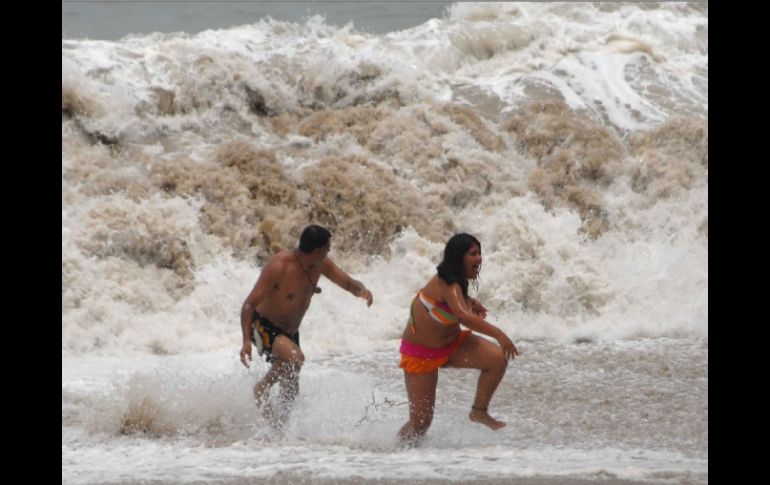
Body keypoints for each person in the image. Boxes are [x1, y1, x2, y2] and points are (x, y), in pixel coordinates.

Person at [239, 225, 373, 417]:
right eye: (327, 248)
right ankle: (261, 388)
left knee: (291, 391)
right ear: (317, 250)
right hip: (261, 325)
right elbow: (248, 305)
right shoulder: (279, 266)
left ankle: (279, 436)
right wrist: (245, 341)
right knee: (295, 358)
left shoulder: (321, 264)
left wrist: (362, 290)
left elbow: (348, 283)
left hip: (289, 332)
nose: (329, 251)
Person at [397, 233, 518, 444]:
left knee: (497, 359)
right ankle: (397, 453)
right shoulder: (448, 284)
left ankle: (479, 412)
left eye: (479, 253)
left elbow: (456, 305)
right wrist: (499, 334)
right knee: (421, 423)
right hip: (421, 354)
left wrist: (470, 301)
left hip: (452, 346)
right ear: (458, 257)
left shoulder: (457, 281)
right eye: (473, 254)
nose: (479, 259)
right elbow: (462, 315)